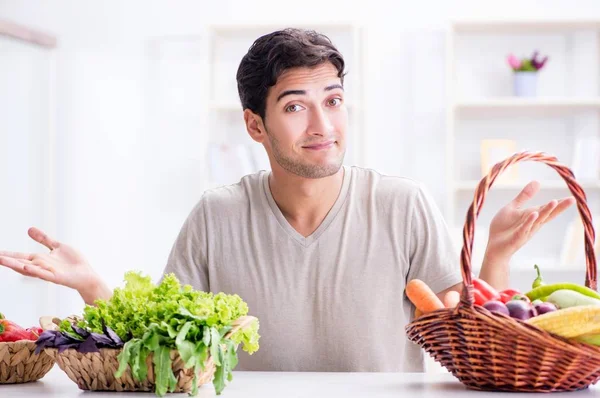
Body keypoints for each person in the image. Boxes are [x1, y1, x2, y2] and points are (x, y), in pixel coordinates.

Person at [0, 28, 574, 373]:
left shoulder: (403, 204)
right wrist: (94, 287)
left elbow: (466, 332)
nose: (323, 124)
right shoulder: (217, 214)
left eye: (334, 99)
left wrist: (495, 258)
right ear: (256, 125)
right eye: (297, 106)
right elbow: (160, 346)